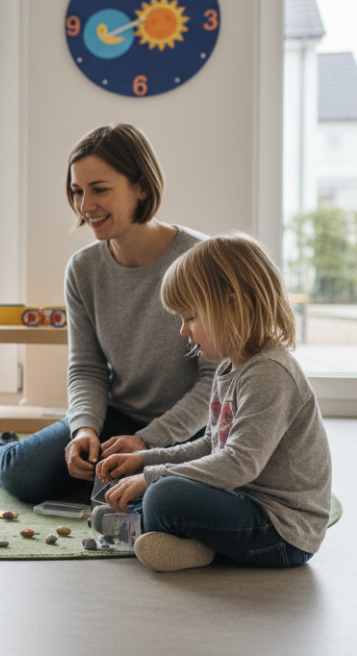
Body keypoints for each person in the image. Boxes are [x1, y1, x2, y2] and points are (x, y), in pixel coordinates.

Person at [0, 123, 217, 503]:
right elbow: (87, 367)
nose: (84, 206)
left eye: (99, 189)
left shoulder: (203, 259)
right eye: (77, 191)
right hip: (116, 418)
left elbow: (215, 380)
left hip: (193, 427)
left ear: (142, 187)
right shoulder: (83, 268)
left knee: (160, 499)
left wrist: (148, 441)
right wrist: (84, 429)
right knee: (26, 478)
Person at [97, 233, 332, 571]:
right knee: (156, 493)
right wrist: (142, 459)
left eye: (191, 317)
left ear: (235, 304)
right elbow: (211, 444)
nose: (183, 330)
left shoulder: (270, 373)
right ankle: (189, 541)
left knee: (164, 496)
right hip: (242, 502)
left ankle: (192, 542)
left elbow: (238, 464)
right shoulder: (229, 367)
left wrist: (152, 477)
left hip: (282, 532)